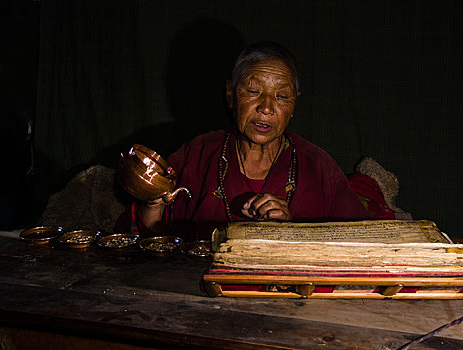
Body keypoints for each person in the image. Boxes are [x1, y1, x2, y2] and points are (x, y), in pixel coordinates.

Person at [116, 41, 369, 239]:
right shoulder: (197, 154)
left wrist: (291, 234)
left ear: (293, 106)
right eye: (253, 91)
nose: (266, 108)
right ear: (230, 94)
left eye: (281, 96)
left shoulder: (318, 166)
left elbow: (360, 244)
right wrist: (152, 203)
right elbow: (148, 236)